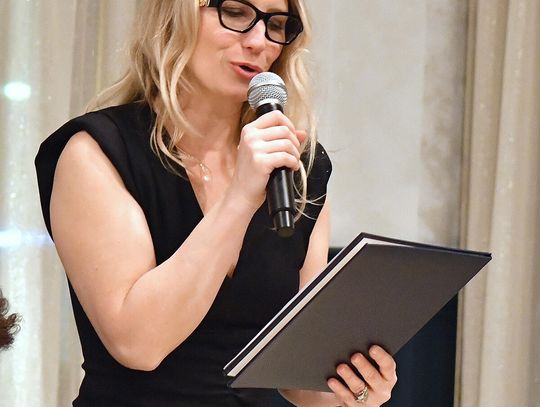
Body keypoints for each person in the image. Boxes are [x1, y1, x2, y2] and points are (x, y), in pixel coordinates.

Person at [35, 0, 397, 405]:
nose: (259, 41)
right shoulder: (97, 152)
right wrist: (240, 198)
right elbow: (138, 345)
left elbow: (299, 379)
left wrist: (359, 391)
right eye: (237, 13)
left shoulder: (298, 165)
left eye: (277, 24)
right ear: (176, 14)